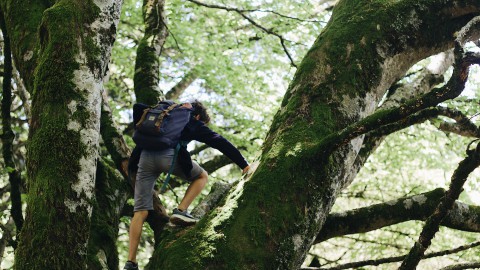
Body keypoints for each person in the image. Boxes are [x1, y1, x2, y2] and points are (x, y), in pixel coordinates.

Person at [123, 101, 250, 270]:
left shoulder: (166, 114)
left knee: (140, 212)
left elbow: (138, 106)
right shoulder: (192, 121)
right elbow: (219, 141)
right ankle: (181, 211)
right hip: (168, 157)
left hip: (144, 159)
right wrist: (244, 165)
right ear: (198, 117)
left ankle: (130, 262)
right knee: (202, 176)